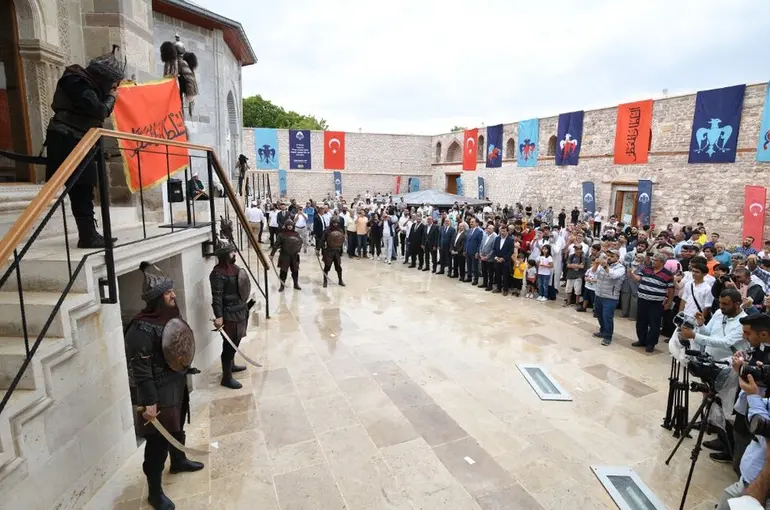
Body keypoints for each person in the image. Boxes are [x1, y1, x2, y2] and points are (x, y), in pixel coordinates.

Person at [125, 262, 203, 510]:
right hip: (157, 392)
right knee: (157, 442)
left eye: (172, 291)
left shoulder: (171, 317)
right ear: (157, 299)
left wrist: (184, 366)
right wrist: (149, 402)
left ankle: (178, 461)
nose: (174, 295)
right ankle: (155, 492)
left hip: (176, 384)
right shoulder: (140, 329)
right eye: (168, 293)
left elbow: (174, 347)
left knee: (177, 427)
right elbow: (141, 371)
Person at [46, 46, 126, 249]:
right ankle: (87, 236)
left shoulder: (84, 82)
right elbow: (99, 111)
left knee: (85, 188)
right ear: (102, 76)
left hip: (80, 140)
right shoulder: (75, 81)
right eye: (111, 82)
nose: (111, 86)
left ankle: (89, 233)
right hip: (68, 140)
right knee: (80, 188)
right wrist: (112, 97)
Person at [716, 313, 770, 510]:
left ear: (763, 334)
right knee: (740, 454)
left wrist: (754, 393)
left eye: (748, 333)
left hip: (757, 422)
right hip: (745, 412)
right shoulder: (758, 348)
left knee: (744, 459)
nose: (745, 337)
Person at [209, 239, 251, 389]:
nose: (235, 254)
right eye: (232, 252)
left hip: (240, 311)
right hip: (228, 315)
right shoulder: (217, 274)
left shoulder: (235, 268)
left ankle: (231, 365)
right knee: (229, 345)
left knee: (236, 340)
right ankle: (226, 378)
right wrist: (219, 316)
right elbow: (217, 297)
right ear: (226, 255)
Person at [628, 252, 675, 352]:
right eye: (653, 259)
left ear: (662, 262)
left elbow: (671, 289)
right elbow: (638, 279)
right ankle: (642, 340)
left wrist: (669, 302)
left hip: (656, 303)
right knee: (641, 322)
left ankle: (651, 343)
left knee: (654, 324)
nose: (653, 261)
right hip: (642, 300)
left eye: (656, 260)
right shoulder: (646, 269)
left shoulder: (668, 274)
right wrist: (631, 274)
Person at [593, 250, 626, 346]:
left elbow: (613, 276)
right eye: (608, 255)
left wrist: (605, 266)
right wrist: (596, 264)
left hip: (610, 297)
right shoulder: (603, 264)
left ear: (617, 258)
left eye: (612, 256)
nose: (609, 257)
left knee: (607, 317)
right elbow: (593, 273)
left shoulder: (621, 268)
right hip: (599, 294)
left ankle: (608, 337)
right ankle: (602, 330)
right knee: (599, 314)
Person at [270, 219, 303, 291]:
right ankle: (282, 285)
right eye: (288, 225)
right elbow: (276, 245)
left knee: (295, 270)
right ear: (286, 226)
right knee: (283, 271)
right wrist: (272, 254)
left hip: (294, 256)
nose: (290, 227)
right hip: (285, 255)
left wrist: (298, 249)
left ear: (293, 226)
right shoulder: (281, 234)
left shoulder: (296, 234)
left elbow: (300, 242)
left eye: (291, 225)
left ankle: (296, 284)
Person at [320, 218, 346, 287]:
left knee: (338, 267)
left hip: (337, 251)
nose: (335, 224)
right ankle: (325, 281)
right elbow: (322, 240)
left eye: (336, 223)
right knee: (327, 267)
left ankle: (340, 280)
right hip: (329, 251)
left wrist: (341, 250)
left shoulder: (340, 230)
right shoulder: (327, 230)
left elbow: (341, 240)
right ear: (331, 223)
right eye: (334, 223)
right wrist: (320, 248)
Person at [493, 225, 514, 296]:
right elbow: (494, 249)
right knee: (498, 275)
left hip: (505, 261)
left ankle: (505, 289)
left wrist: (503, 258)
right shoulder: (497, 238)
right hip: (497, 260)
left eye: (504, 231)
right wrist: (496, 257)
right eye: (501, 231)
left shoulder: (510, 240)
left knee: (505, 276)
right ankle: (498, 288)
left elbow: (511, 252)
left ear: (507, 231)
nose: (502, 232)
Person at [478, 224, 498, 290]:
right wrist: (480, 253)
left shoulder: (495, 237)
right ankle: (485, 283)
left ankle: (490, 285)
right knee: (484, 271)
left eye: (490, 228)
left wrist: (487, 256)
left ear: (493, 230)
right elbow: (481, 244)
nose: (488, 229)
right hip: (483, 256)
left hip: (490, 258)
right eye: (487, 228)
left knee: (490, 272)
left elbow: (493, 249)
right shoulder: (485, 235)